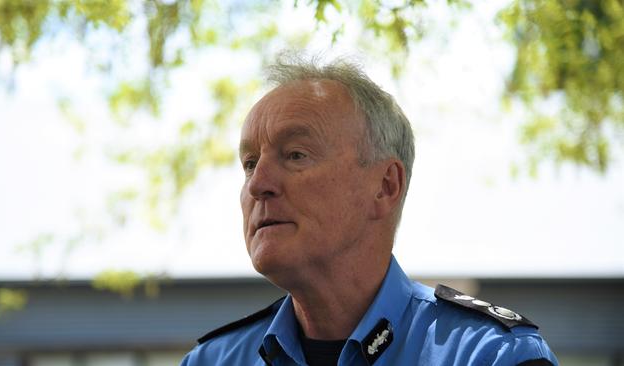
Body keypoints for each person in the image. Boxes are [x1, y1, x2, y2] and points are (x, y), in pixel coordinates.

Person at [179, 55, 558, 366]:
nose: (257, 184)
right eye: (248, 163)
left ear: (385, 186)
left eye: (295, 155)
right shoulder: (210, 361)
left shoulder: (492, 356)